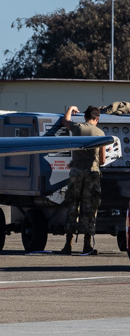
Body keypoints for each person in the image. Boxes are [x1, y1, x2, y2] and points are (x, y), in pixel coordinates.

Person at [60, 105, 107, 255]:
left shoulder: (77, 127)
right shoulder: (101, 134)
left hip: (76, 173)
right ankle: (87, 245)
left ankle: (68, 244)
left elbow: (65, 121)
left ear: (85, 117)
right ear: (97, 118)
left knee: (73, 206)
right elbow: (103, 161)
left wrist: (71, 108)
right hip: (92, 174)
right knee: (90, 208)